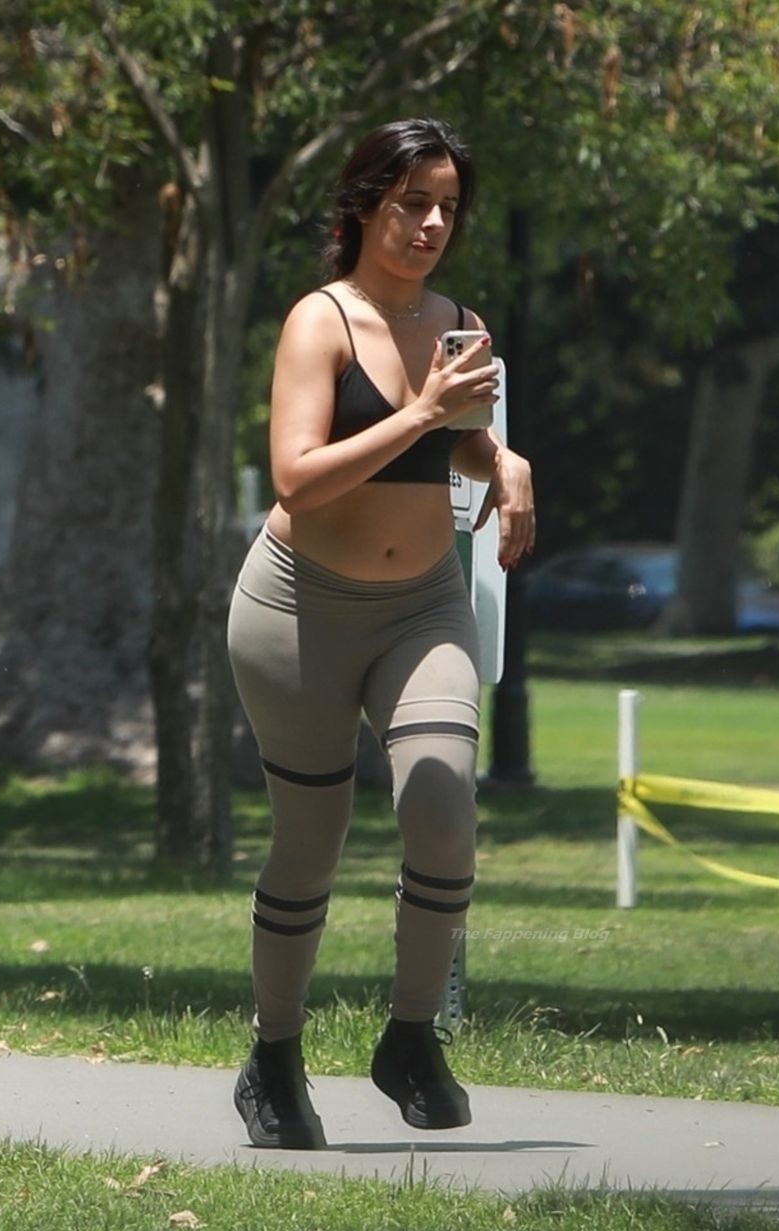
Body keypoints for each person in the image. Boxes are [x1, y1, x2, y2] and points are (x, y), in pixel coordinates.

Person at [226, 118, 536, 1150]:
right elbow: (297, 478)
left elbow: (460, 448)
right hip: (299, 608)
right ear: (364, 206)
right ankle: (274, 1056)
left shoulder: (459, 323)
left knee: (443, 804)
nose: (433, 224)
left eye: (447, 206)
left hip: (425, 603)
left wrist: (506, 463)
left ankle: (410, 1037)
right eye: (412, 204)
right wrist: (425, 413)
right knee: (309, 842)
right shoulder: (320, 322)